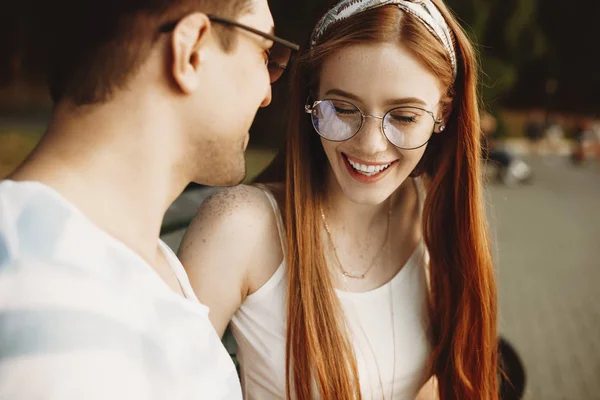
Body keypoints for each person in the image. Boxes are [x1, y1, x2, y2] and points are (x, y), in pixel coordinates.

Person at [179, 0, 498, 399]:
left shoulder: (430, 211)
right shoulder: (242, 227)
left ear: (444, 114)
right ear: (311, 99)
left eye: (403, 117)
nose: (369, 145)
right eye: (343, 109)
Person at [0, 0, 298, 398]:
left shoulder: (146, 262)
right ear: (191, 51)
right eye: (265, 51)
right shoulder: (46, 292)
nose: (267, 94)